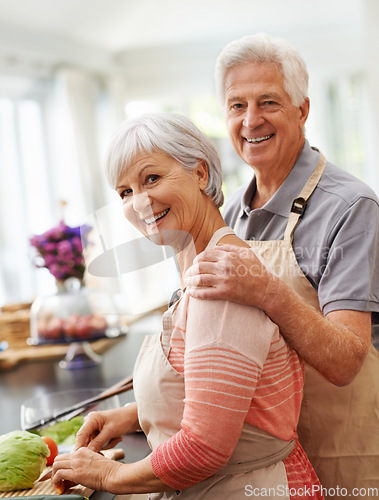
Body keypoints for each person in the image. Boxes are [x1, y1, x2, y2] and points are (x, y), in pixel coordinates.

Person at [52, 112, 324, 498]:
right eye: (125, 192)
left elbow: (203, 448)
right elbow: (221, 392)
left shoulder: (220, 281)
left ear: (199, 174)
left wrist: (106, 476)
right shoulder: (198, 266)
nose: (139, 202)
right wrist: (132, 415)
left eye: (152, 178)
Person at [183, 33, 379, 495]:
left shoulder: (351, 208)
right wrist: (130, 414)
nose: (251, 120)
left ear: (302, 110)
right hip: (264, 468)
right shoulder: (229, 215)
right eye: (236, 105)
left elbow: (346, 361)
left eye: (268, 102)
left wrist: (267, 290)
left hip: (339, 451)